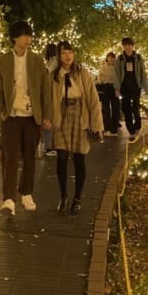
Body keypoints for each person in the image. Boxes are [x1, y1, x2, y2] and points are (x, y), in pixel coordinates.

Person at [0, 20, 52, 214]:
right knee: (9, 157)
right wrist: (1, 110)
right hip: (10, 115)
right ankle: (9, 198)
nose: (28, 39)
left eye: (29, 35)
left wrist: (46, 115)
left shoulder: (36, 60)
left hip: (31, 115)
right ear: (14, 38)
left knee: (29, 156)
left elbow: (45, 89)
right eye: (23, 35)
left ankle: (26, 193)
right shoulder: (4, 59)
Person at [49, 41, 103, 214]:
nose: (68, 56)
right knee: (62, 157)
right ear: (59, 56)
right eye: (64, 53)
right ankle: (63, 195)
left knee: (79, 159)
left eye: (70, 52)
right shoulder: (54, 75)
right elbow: (49, 99)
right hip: (62, 116)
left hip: (81, 116)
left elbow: (93, 100)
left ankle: (77, 198)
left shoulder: (83, 74)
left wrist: (96, 125)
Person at [113, 36, 148, 142]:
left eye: (130, 45)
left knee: (136, 108)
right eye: (126, 45)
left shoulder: (138, 58)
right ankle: (131, 131)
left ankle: (138, 125)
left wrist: (146, 87)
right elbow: (116, 74)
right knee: (127, 109)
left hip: (135, 87)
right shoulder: (120, 59)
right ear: (123, 47)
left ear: (132, 46)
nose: (128, 47)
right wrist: (117, 88)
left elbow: (143, 72)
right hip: (124, 88)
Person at [37, 42, 59, 157]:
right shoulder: (55, 63)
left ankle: (47, 146)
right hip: (52, 94)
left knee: (47, 120)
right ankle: (49, 147)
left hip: (46, 94)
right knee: (50, 120)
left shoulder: (47, 63)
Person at [96, 50, 119, 135]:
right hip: (106, 88)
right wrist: (102, 80)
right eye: (110, 58)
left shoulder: (117, 68)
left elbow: (119, 79)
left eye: (113, 58)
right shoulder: (103, 67)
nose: (112, 60)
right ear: (107, 59)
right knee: (106, 109)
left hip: (115, 88)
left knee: (115, 108)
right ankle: (107, 128)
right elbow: (99, 79)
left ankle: (114, 129)